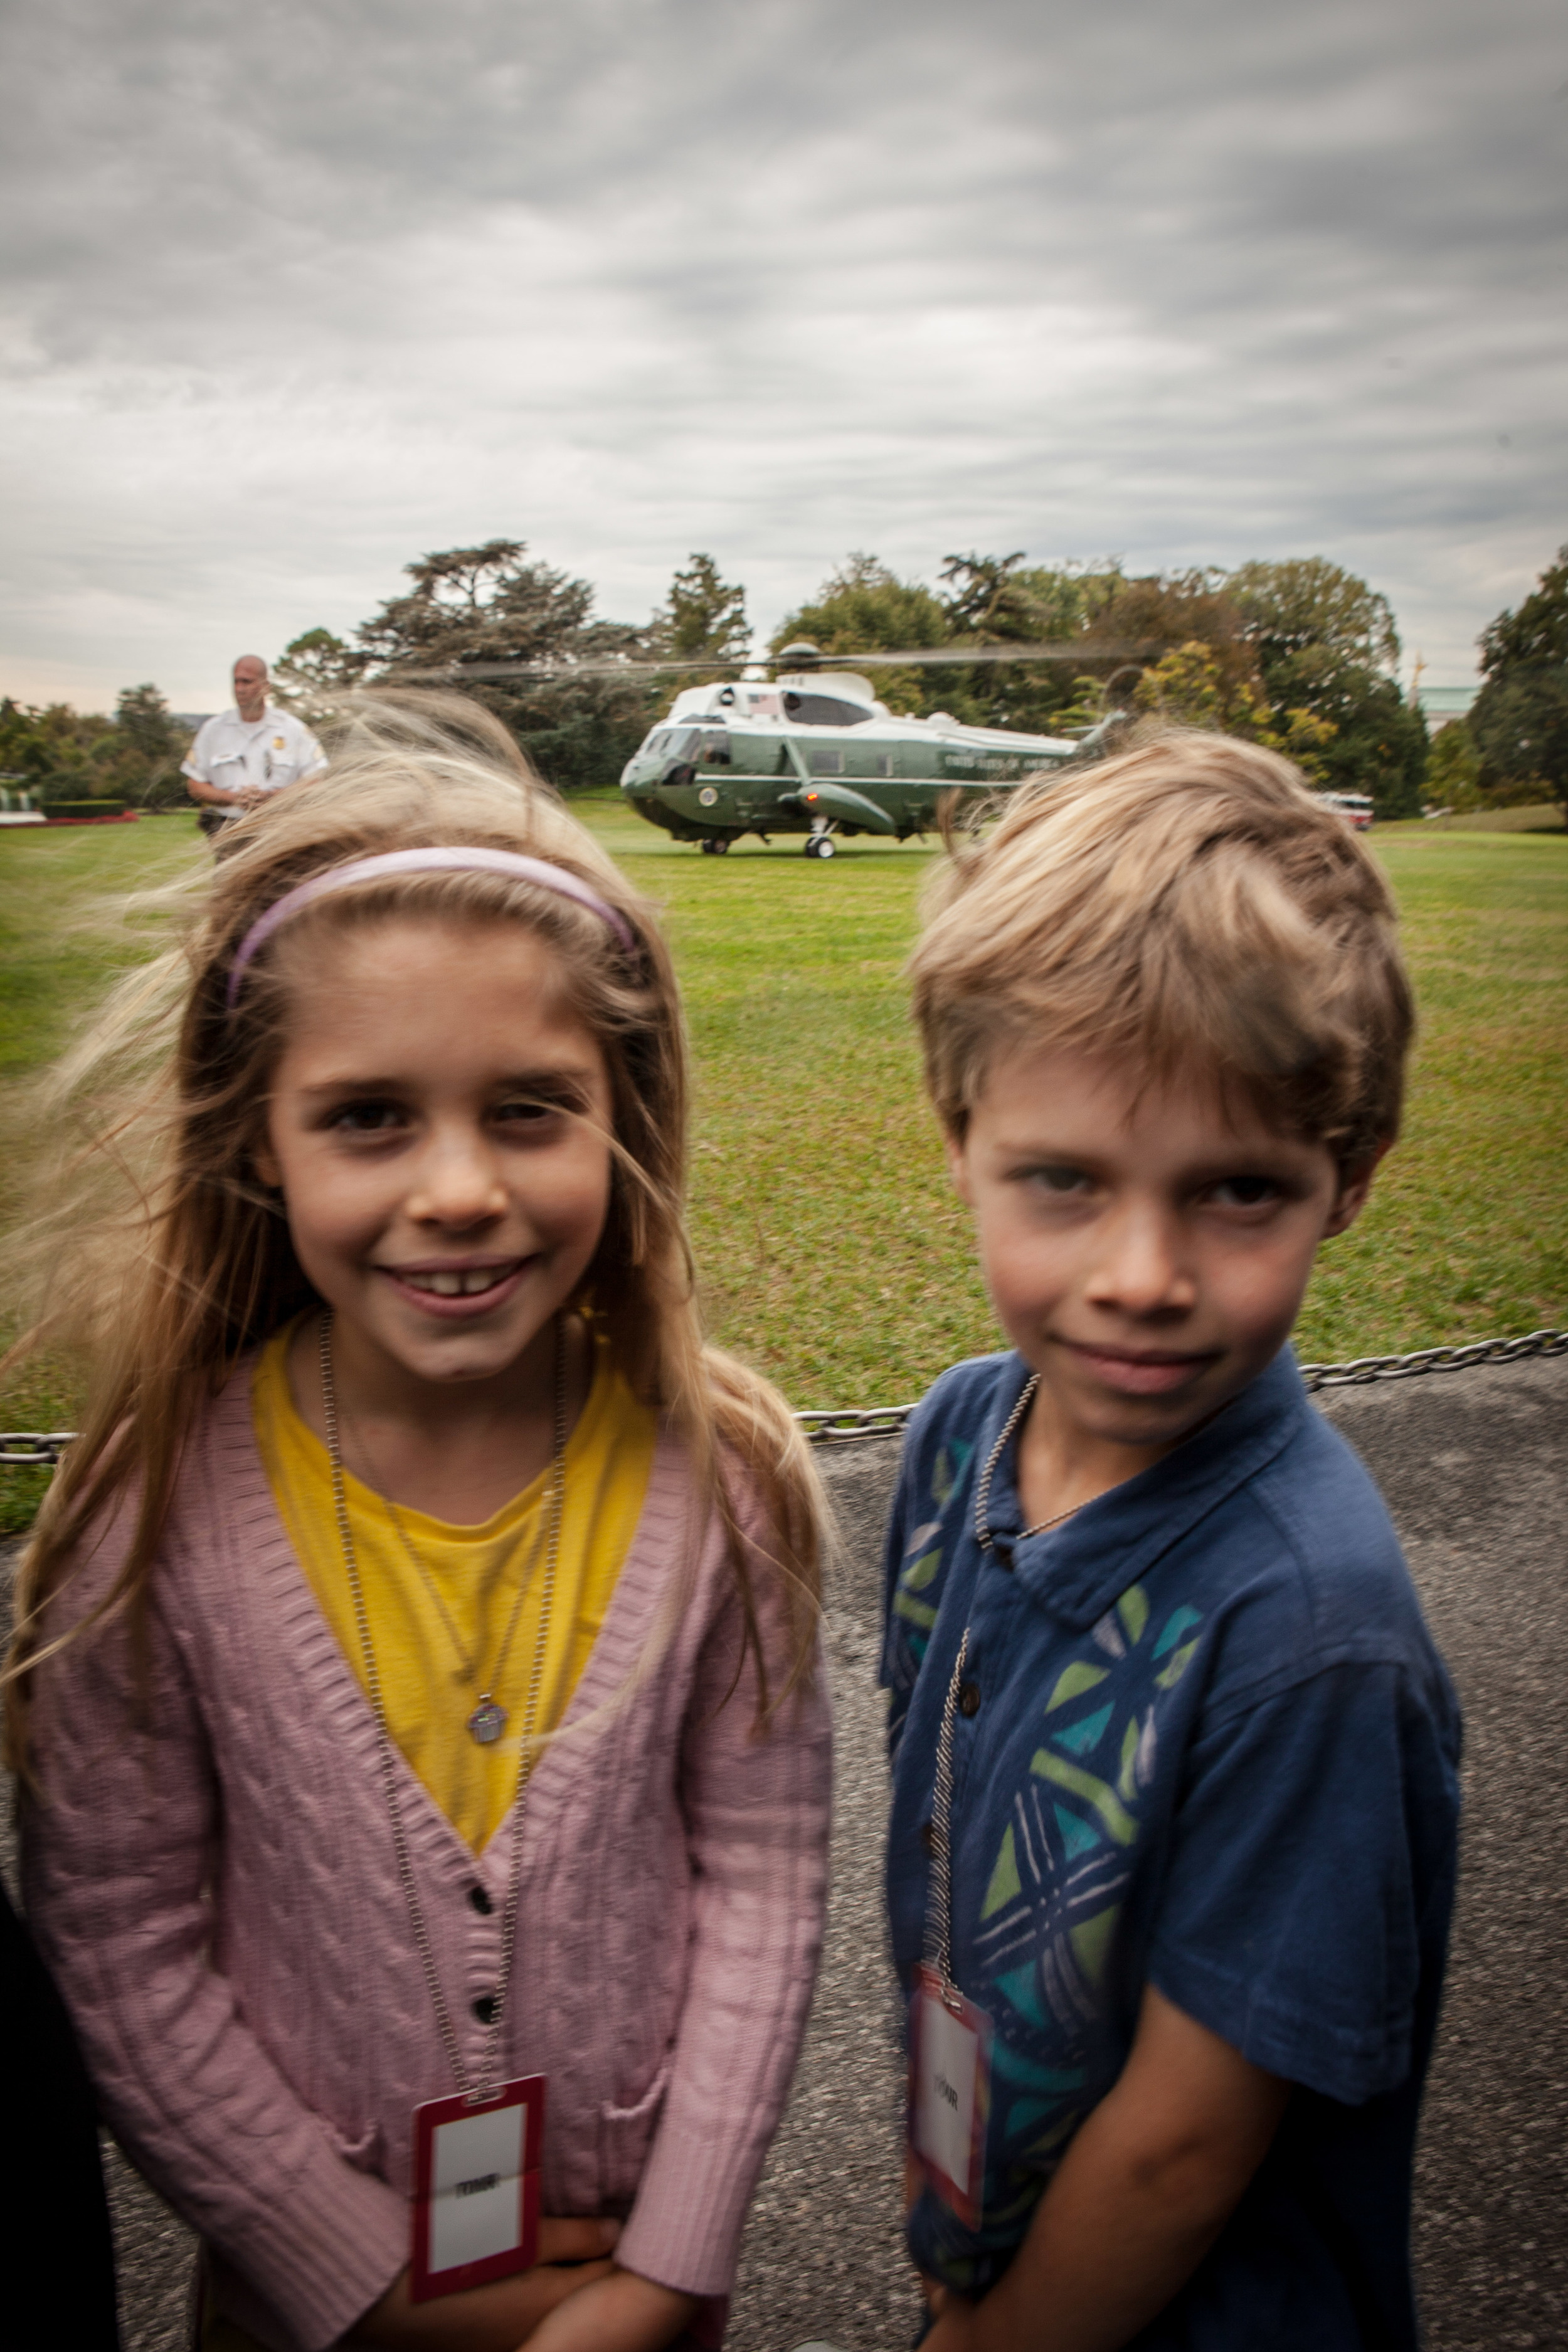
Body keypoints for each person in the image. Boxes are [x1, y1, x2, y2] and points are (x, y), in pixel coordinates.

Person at [8, 694, 832, 2352]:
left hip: (629, 2293)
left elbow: (763, 1876)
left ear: (623, 1113)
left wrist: (670, 2267)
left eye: (527, 1106)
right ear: (259, 1136)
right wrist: (357, 2283)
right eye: (369, 1115)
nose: (457, 1188)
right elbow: (116, 1937)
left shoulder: (722, 1482)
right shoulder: (148, 1515)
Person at [879, 734, 1461, 2352]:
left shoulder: (1309, 1632)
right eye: (1062, 1179)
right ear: (958, 1136)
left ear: (1346, 1179)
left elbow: (1183, 2148)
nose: (1141, 1275)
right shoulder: (955, 1437)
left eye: (1235, 1191)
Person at [183, 653, 326, 839]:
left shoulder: (293, 729)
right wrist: (234, 799)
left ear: (266, 687)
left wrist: (272, 798)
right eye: (236, 682)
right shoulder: (213, 731)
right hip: (228, 832)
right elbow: (195, 785)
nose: (239, 689)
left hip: (281, 832)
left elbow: (316, 782)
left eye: (247, 682)